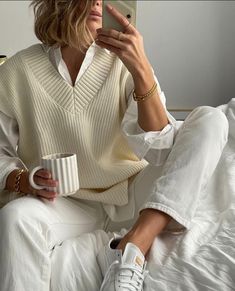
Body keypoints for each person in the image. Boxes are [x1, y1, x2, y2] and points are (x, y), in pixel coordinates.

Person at [0, 0, 228, 290]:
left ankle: (134, 245)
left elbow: (160, 147)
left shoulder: (123, 61)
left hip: (135, 195)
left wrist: (141, 68)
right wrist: (25, 180)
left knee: (211, 119)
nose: (100, 2)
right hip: (67, 205)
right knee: (15, 217)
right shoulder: (17, 71)